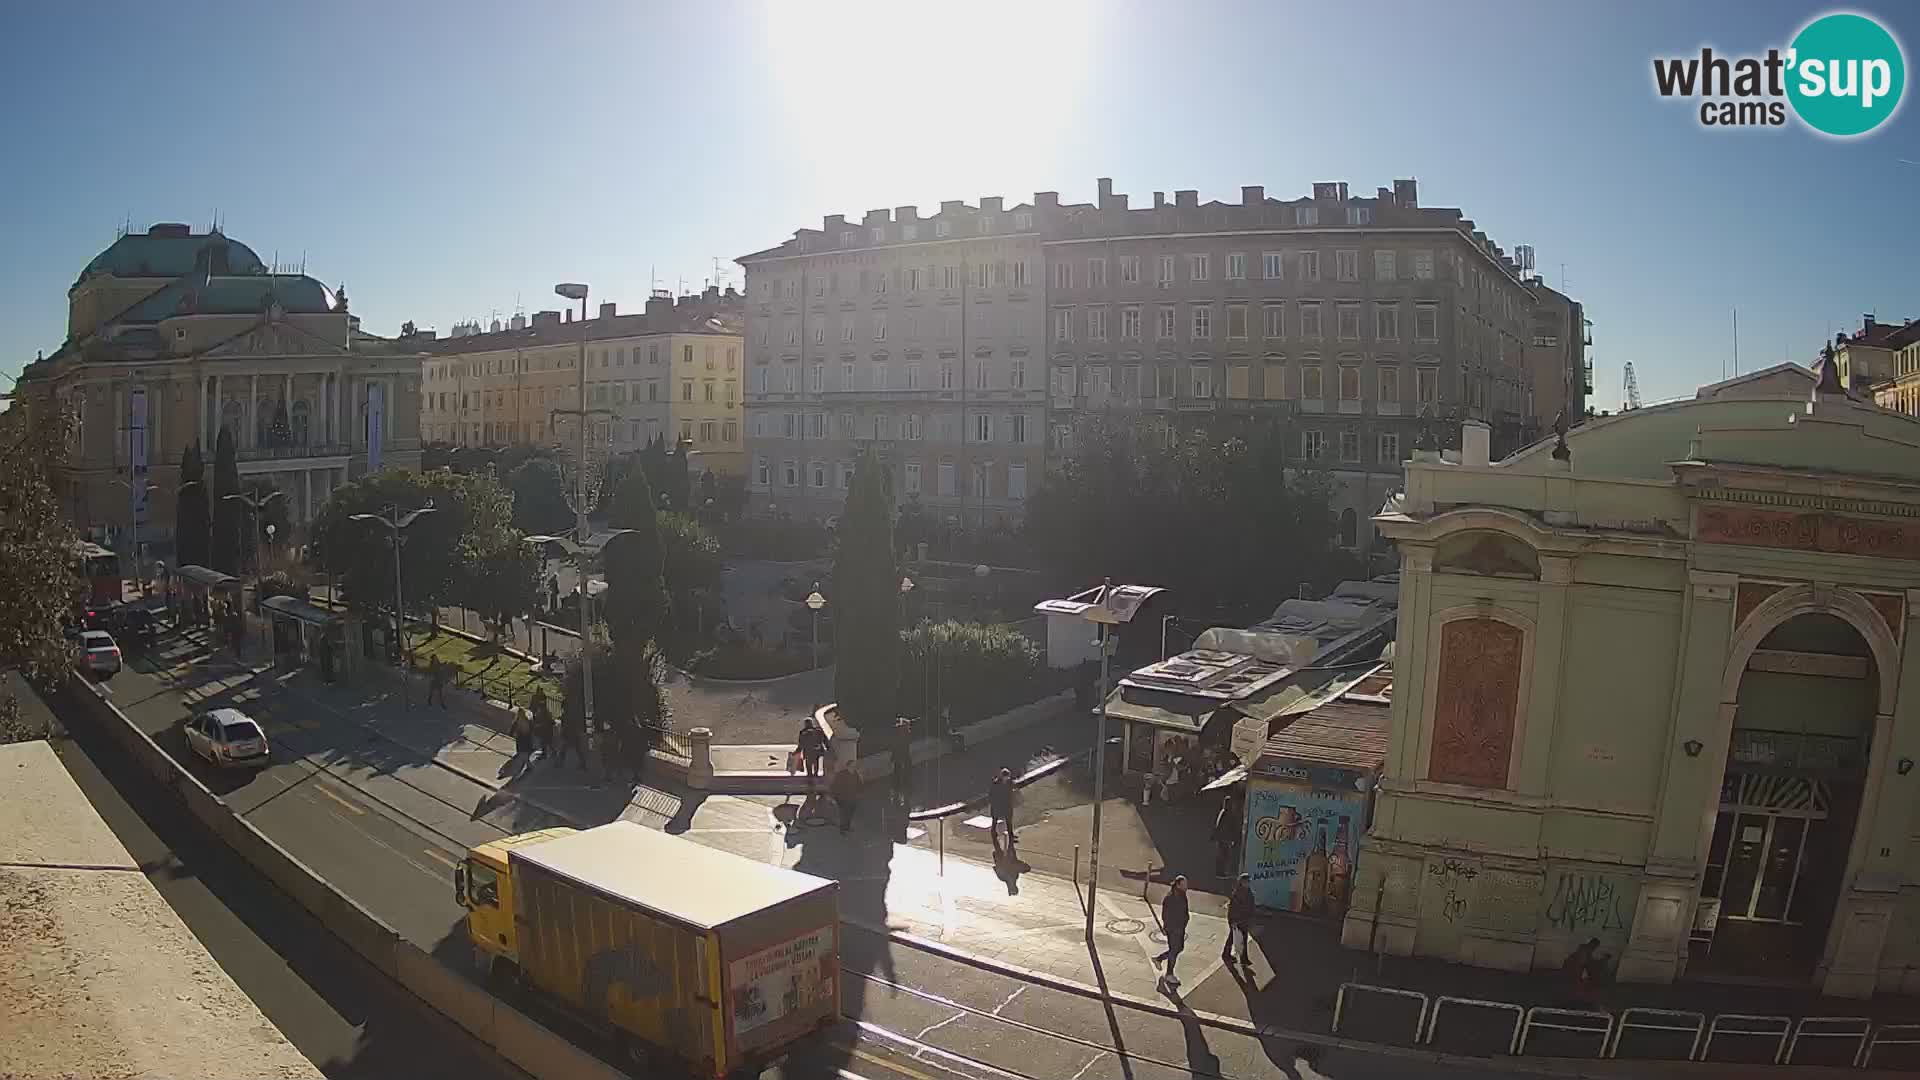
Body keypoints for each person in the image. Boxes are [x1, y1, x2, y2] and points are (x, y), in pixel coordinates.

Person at [1156, 876, 1191, 992]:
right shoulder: (1170, 897)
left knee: (1178, 948)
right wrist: (1167, 927)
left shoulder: (1182, 894)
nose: (1186, 886)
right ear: (1178, 885)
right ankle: (1169, 974)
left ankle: (1159, 959)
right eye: (1184, 884)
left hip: (1180, 927)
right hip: (1173, 929)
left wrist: (1185, 920)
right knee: (1174, 949)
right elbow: (1165, 914)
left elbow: (1184, 911)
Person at [1225, 873, 1256, 968]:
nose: (1247, 884)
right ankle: (1228, 955)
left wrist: (1250, 915)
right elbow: (1232, 909)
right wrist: (1232, 921)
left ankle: (1243, 958)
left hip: (1244, 920)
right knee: (1234, 938)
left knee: (1243, 939)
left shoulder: (1249, 892)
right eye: (1246, 882)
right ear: (1241, 882)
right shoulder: (1237, 894)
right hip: (1237, 920)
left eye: (1248, 882)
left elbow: (1251, 905)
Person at [988, 768, 1016, 857]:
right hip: (998, 804)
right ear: (1002, 776)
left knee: (1009, 819)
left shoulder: (1009, 783)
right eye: (1006, 777)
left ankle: (1011, 834)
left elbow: (1011, 792)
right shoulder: (996, 784)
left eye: (1008, 777)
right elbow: (992, 795)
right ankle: (993, 832)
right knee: (995, 819)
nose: (1007, 779)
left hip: (1006, 804)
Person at [829, 760, 861, 835]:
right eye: (853, 765)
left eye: (855, 765)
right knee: (843, 814)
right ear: (848, 766)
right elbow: (834, 786)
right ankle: (842, 829)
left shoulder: (855, 774)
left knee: (850, 813)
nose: (854, 767)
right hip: (843, 798)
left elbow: (859, 784)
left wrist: (859, 793)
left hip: (853, 798)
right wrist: (832, 797)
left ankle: (847, 827)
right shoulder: (841, 774)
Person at [797, 718, 827, 788]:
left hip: (808, 752)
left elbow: (801, 744)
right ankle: (815, 780)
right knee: (816, 765)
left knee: (809, 767)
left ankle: (810, 782)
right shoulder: (818, 731)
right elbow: (823, 741)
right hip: (816, 752)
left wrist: (797, 752)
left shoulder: (803, 732)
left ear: (805, 724)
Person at [891, 717, 914, 801]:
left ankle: (897, 788)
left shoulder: (899, 732)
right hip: (903, 755)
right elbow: (903, 744)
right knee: (904, 771)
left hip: (899, 755)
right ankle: (904, 787)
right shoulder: (905, 732)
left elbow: (895, 745)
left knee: (898, 771)